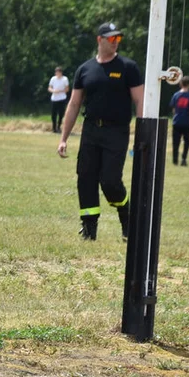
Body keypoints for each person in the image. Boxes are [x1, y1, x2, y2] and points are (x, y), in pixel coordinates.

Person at [57, 22, 144, 240]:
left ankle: (126, 215)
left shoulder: (128, 67)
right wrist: (63, 138)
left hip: (117, 131)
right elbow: (74, 104)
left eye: (118, 39)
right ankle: (89, 228)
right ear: (99, 40)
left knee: (110, 181)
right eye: (111, 38)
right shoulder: (85, 69)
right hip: (91, 130)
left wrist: (142, 133)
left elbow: (139, 101)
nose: (116, 43)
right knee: (85, 177)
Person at [169, 75, 189, 166]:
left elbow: (173, 110)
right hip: (186, 122)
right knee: (186, 141)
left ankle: (175, 160)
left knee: (175, 142)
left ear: (181, 84)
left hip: (176, 121)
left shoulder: (175, 95)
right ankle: (183, 159)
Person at [47, 66, 70, 133]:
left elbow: (67, 89)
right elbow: (49, 88)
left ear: (61, 73)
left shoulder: (65, 79)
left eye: (58, 72)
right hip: (54, 98)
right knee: (53, 114)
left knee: (61, 113)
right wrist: (53, 91)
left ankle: (59, 127)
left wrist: (60, 91)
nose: (57, 73)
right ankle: (54, 128)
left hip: (62, 98)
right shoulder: (53, 79)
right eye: (56, 72)